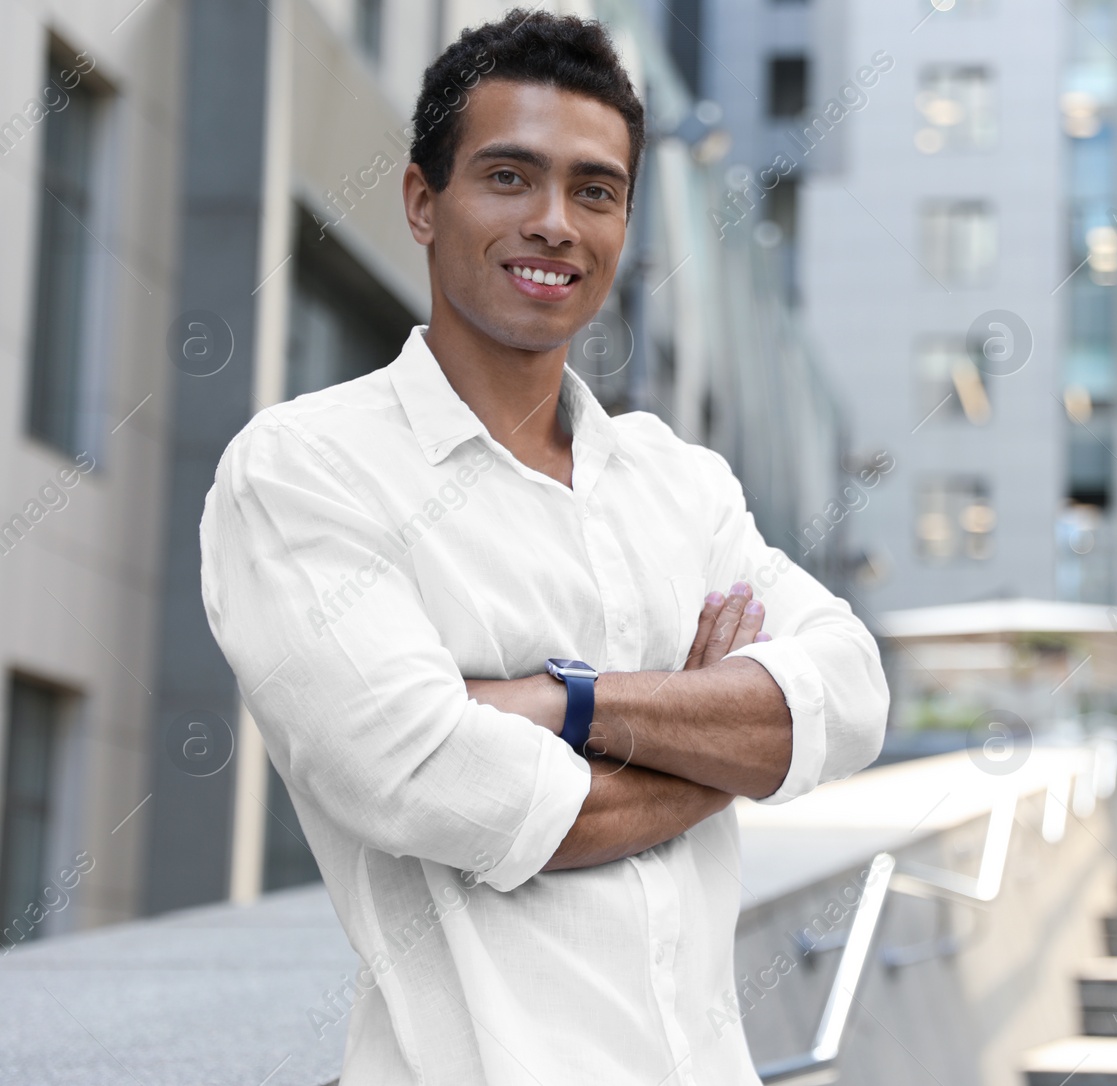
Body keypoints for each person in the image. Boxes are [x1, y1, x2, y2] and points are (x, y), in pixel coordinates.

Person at [198, 12, 889, 1085]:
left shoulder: (678, 481)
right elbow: (432, 777)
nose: (556, 223)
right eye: (510, 177)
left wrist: (560, 702)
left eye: (596, 190)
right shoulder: (303, 470)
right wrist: (723, 746)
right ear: (425, 202)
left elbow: (847, 697)